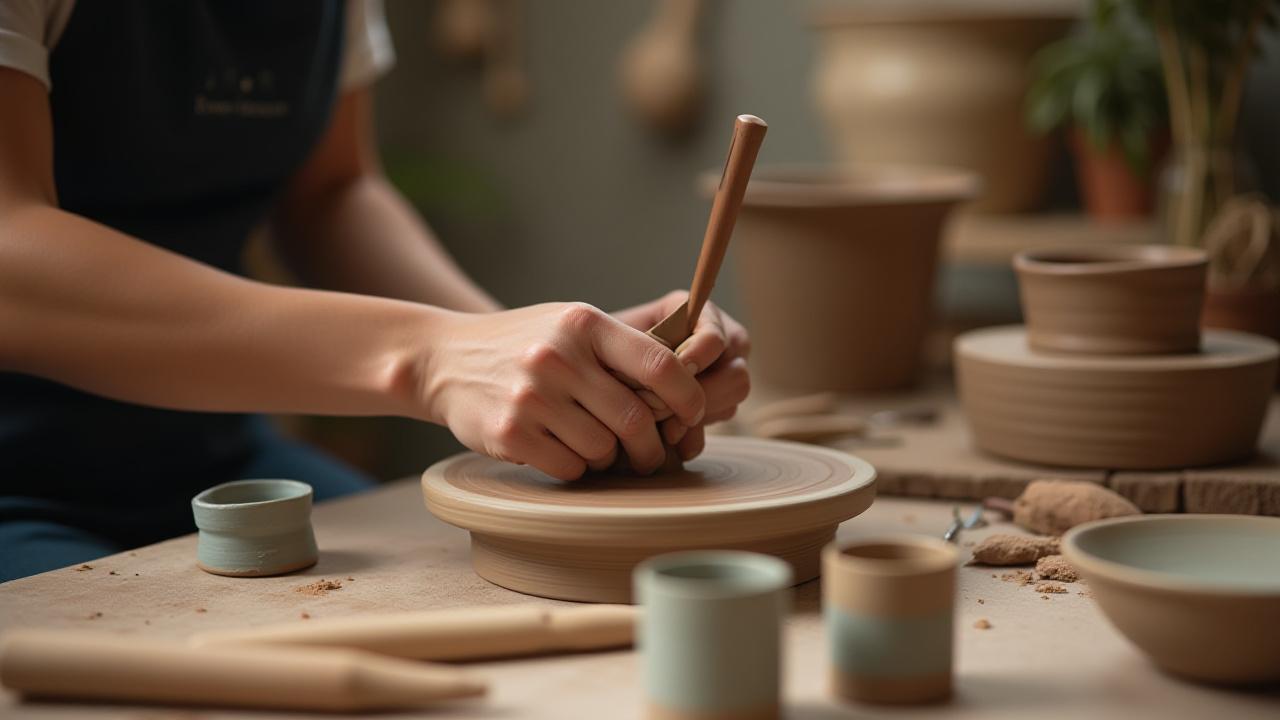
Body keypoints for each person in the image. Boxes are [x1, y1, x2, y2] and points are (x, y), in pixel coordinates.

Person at [0, 0, 750, 582]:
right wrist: (427, 357)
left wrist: (545, 369)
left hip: (217, 453)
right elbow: (11, 255)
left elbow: (331, 195)